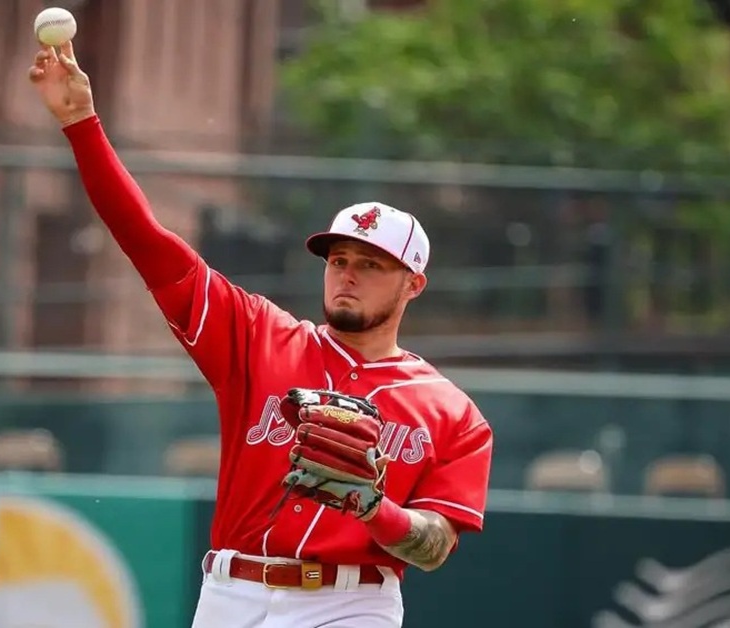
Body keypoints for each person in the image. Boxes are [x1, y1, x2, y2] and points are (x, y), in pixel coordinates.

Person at [28, 41, 494, 628]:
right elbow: (146, 242)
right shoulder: (257, 337)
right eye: (337, 258)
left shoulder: (453, 414)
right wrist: (81, 125)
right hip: (232, 593)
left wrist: (375, 509)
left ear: (413, 285)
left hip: (352, 601)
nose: (346, 272)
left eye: (371, 264)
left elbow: (435, 547)